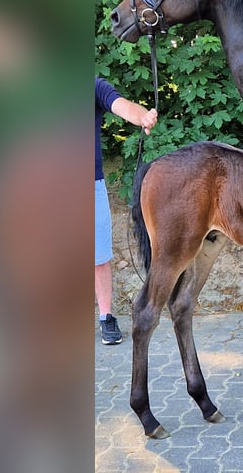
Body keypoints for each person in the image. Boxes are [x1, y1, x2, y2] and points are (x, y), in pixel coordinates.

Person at [95, 77, 157, 344]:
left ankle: (106, 317)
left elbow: (122, 106)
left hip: (88, 183)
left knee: (99, 256)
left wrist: (142, 116)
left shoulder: (93, 85)